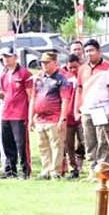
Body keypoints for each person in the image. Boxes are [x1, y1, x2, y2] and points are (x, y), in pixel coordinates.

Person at [76, 39, 109, 172]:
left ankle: (103, 170)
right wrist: (77, 109)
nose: (89, 54)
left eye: (92, 50)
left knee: (103, 141)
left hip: (101, 109)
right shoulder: (82, 69)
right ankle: (93, 170)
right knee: (89, 142)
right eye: (86, 51)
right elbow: (79, 90)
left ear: (99, 51)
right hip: (87, 110)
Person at [30, 51, 69, 180]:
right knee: (43, 146)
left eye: (47, 62)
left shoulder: (61, 79)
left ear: (55, 63)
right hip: (40, 119)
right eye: (42, 63)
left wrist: (62, 118)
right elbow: (33, 98)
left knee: (56, 146)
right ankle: (46, 170)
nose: (44, 65)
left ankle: (55, 171)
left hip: (54, 118)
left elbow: (65, 100)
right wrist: (31, 118)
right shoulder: (39, 78)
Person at [0, 49, 32, 179]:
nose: (6, 59)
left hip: (19, 114)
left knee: (21, 144)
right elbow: (5, 92)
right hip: (6, 113)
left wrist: (30, 114)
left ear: (15, 57)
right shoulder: (4, 74)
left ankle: (24, 171)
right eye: (4, 57)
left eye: (8, 56)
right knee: (7, 144)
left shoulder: (24, 73)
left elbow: (30, 95)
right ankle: (10, 170)